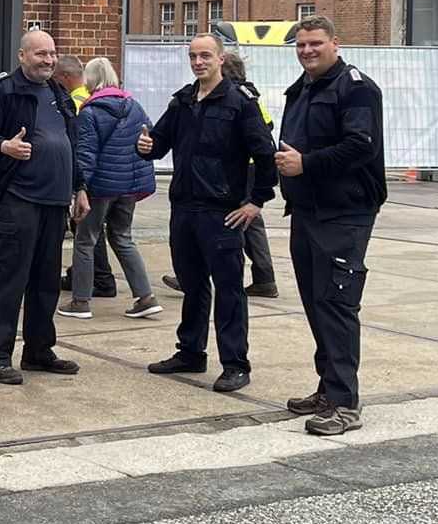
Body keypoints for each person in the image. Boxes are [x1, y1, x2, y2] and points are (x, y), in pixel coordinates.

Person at [136, 32, 275, 392]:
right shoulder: (184, 100)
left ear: (219, 59)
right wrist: (146, 146)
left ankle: (235, 364)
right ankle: (191, 352)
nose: (199, 63)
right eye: (193, 57)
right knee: (193, 286)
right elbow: (159, 143)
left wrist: (255, 202)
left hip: (222, 212)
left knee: (229, 289)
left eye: (205, 57)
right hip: (184, 209)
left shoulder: (239, 102)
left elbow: (265, 154)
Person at [274, 15, 387, 436]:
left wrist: (306, 164)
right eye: (301, 45)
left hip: (344, 213)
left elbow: (360, 146)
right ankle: (327, 388)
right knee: (316, 303)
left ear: (335, 43)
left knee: (337, 305)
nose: (307, 51)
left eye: (315, 44)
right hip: (307, 211)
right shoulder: (302, 88)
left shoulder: (356, 88)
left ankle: (344, 404)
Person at [0, 28, 89, 385]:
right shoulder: (3, 90)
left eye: (52, 54)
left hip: (55, 201)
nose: (49, 60)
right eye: (40, 54)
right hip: (18, 198)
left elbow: (72, 144)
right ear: (22, 56)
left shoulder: (59, 93)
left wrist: (79, 188)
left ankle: (38, 351)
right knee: (11, 279)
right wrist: (4, 146)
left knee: (46, 281)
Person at [162, 52, 280, 298]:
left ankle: (261, 277)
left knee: (244, 223)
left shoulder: (238, 98)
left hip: (237, 170)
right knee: (247, 224)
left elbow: (262, 138)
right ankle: (262, 277)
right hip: (239, 170)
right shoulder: (245, 96)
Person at [63, 56, 163, 320]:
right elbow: (149, 137)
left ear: (90, 80)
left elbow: (85, 153)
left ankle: (80, 302)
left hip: (100, 187)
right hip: (129, 186)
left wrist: (79, 187)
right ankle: (145, 297)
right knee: (123, 238)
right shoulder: (135, 106)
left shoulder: (89, 111)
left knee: (85, 240)